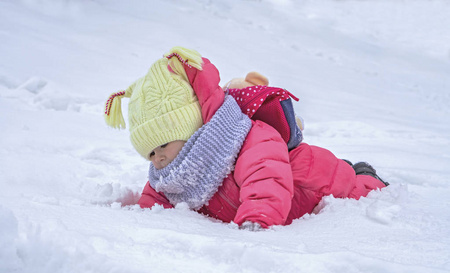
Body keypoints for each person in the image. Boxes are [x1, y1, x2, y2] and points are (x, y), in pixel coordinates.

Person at [104, 46, 388, 230]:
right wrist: (142, 219)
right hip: (286, 195)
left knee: (354, 188)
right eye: (150, 153)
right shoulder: (171, 173)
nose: (159, 158)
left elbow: (265, 177)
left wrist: (258, 215)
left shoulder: (243, 138)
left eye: (163, 144)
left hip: (308, 182)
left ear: (187, 127)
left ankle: (365, 174)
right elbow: (155, 198)